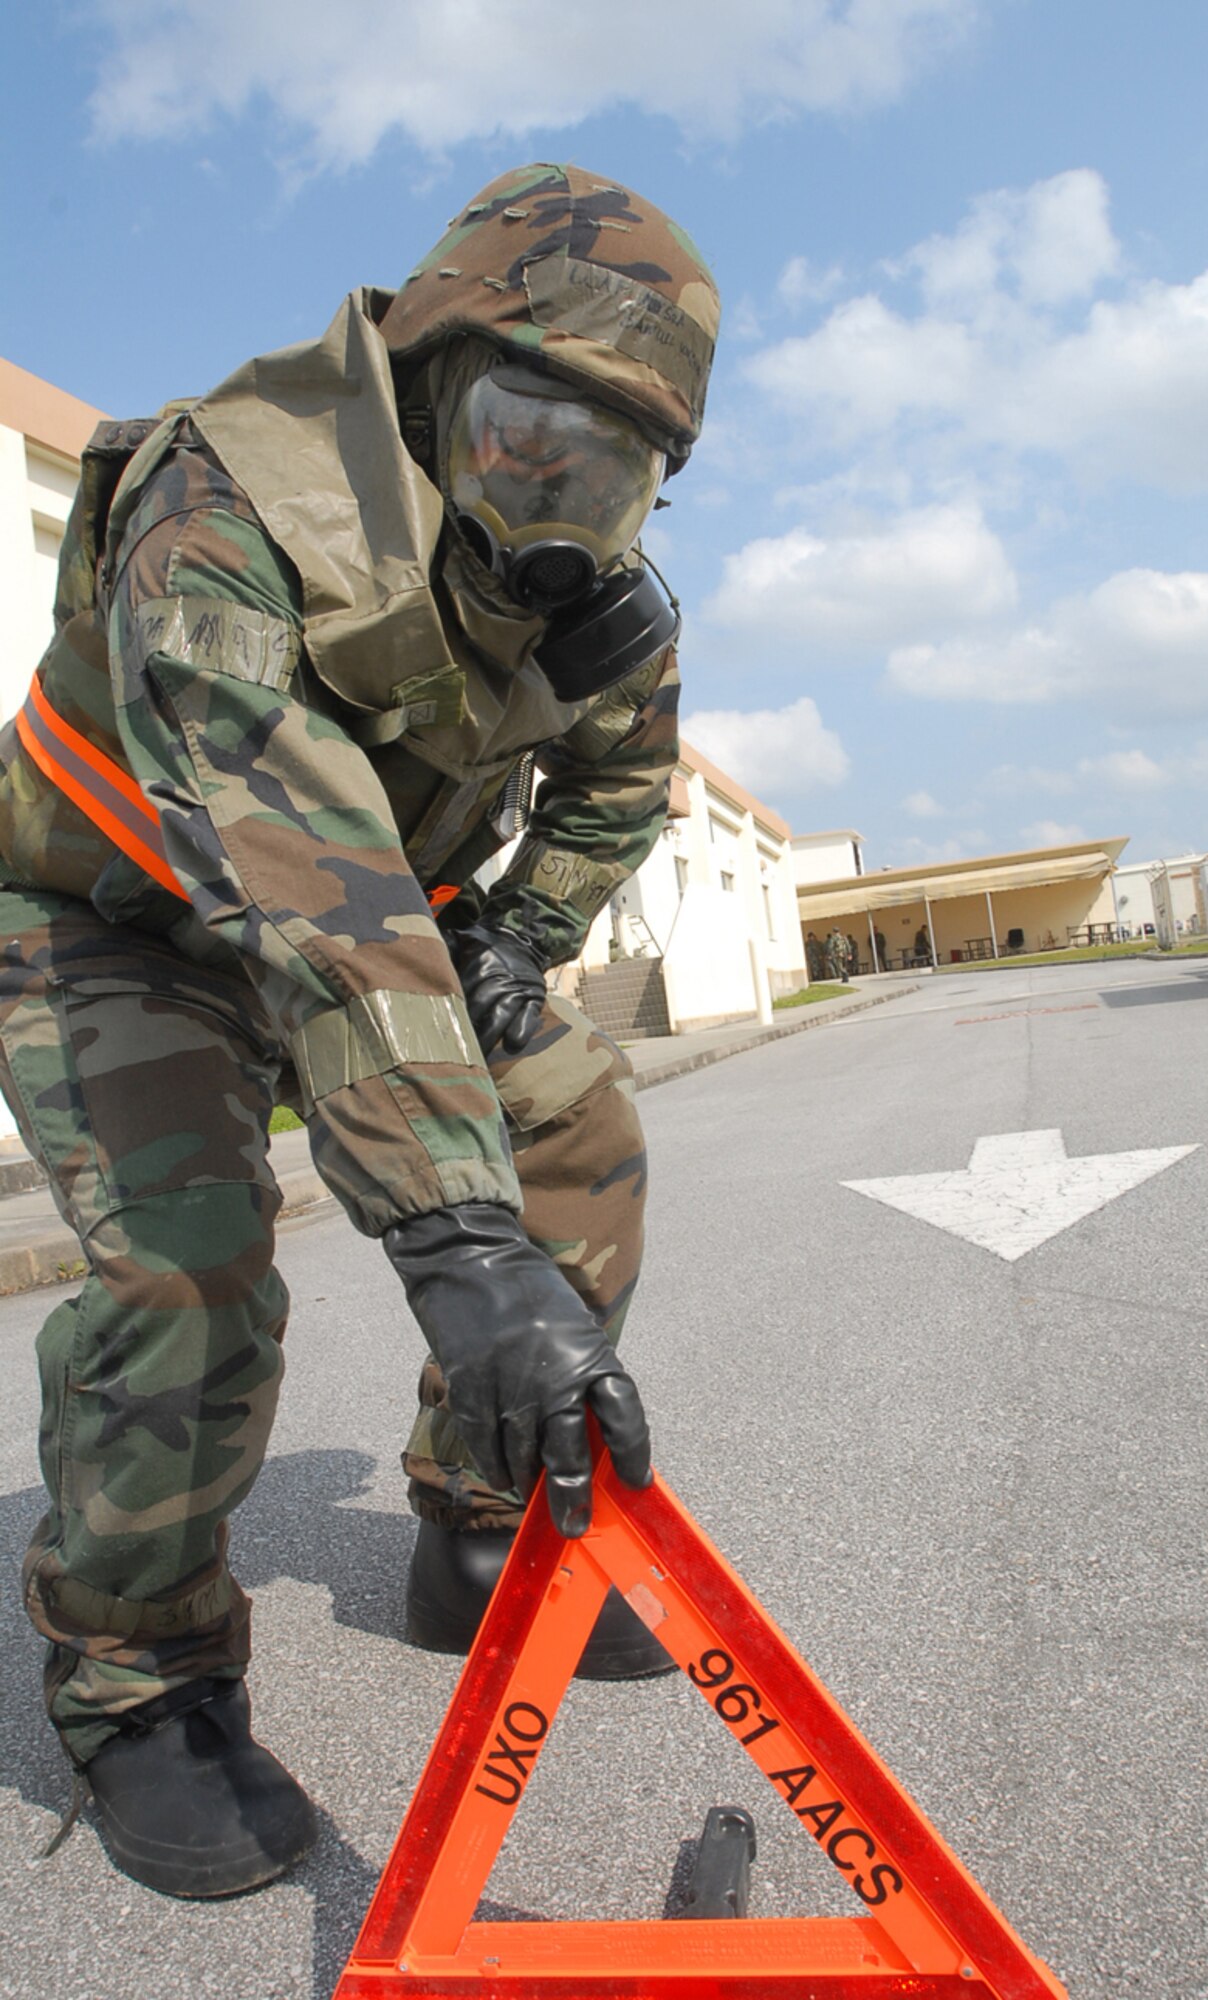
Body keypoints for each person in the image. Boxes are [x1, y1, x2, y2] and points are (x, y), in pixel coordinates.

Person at [0, 163, 718, 1898]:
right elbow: (307, 886)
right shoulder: (223, 497)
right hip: (111, 917)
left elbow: (625, 781)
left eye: (611, 468)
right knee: (190, 1266)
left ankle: (477, 1537)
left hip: (375, 916)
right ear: (423, 371)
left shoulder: (583, 594)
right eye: (523, 431)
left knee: (575, 1131)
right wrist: (461, 1249)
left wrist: (523, 937)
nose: (556, 493)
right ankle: (136, 1678)